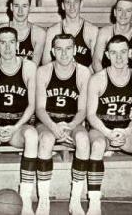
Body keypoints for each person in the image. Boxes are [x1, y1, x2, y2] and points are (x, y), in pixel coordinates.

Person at [0, 27, 38, 215]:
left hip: (18, 127)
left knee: (33, 135)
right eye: (3, 42)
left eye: (12, 42)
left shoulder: (28, 67)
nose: (8, 47)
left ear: (18, 44)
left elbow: (31, 106)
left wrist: (15, 127)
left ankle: (26, 199)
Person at [86, 35, 132, 215]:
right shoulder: (97, 79)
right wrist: (107, 133)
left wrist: (127, 131)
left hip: (126, 129)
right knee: (97, 145)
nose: (119, 58)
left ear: (131, 53)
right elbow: (91, 115)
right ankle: (94, 203)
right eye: (114, 53)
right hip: (101, 129)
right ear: (107, 55)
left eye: (123, 52)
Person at [36, 34, 91, 215]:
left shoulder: (83, 72)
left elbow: (82, 110)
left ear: (74, 50)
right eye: (59, 49)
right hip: (48, 121)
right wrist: (53, 127)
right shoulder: (43, 71)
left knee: (83, 139)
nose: (64, 53)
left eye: (68, 49)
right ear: (53, 51)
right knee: (46, 140)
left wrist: (70, 126)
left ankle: (75, 199)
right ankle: (44, 199)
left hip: (72, 121)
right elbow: (40, 109)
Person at [42, 0, 98, 70]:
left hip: (85, 78)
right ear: (63, 5)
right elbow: (46, 62)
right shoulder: (53, 31)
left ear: (81, 4)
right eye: (68, 2)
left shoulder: (92, 30)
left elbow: (95, 63)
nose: (72, 6)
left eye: (75, 2)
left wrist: (82, 75)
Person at [93, 0, 132, 75]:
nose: (123, 14)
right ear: (115, 12)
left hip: (129, 82)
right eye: (120, 10)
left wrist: (130, 84)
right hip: (106, 80)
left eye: (128, 11)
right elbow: (96, 62)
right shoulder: (104, 33)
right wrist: (105, 81)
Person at [0, 0, 46, 66]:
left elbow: (33, 67)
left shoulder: (39, 33)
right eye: (16, 6)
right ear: (11, 7)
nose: (20, 11)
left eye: (24, 6)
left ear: (30, 8)